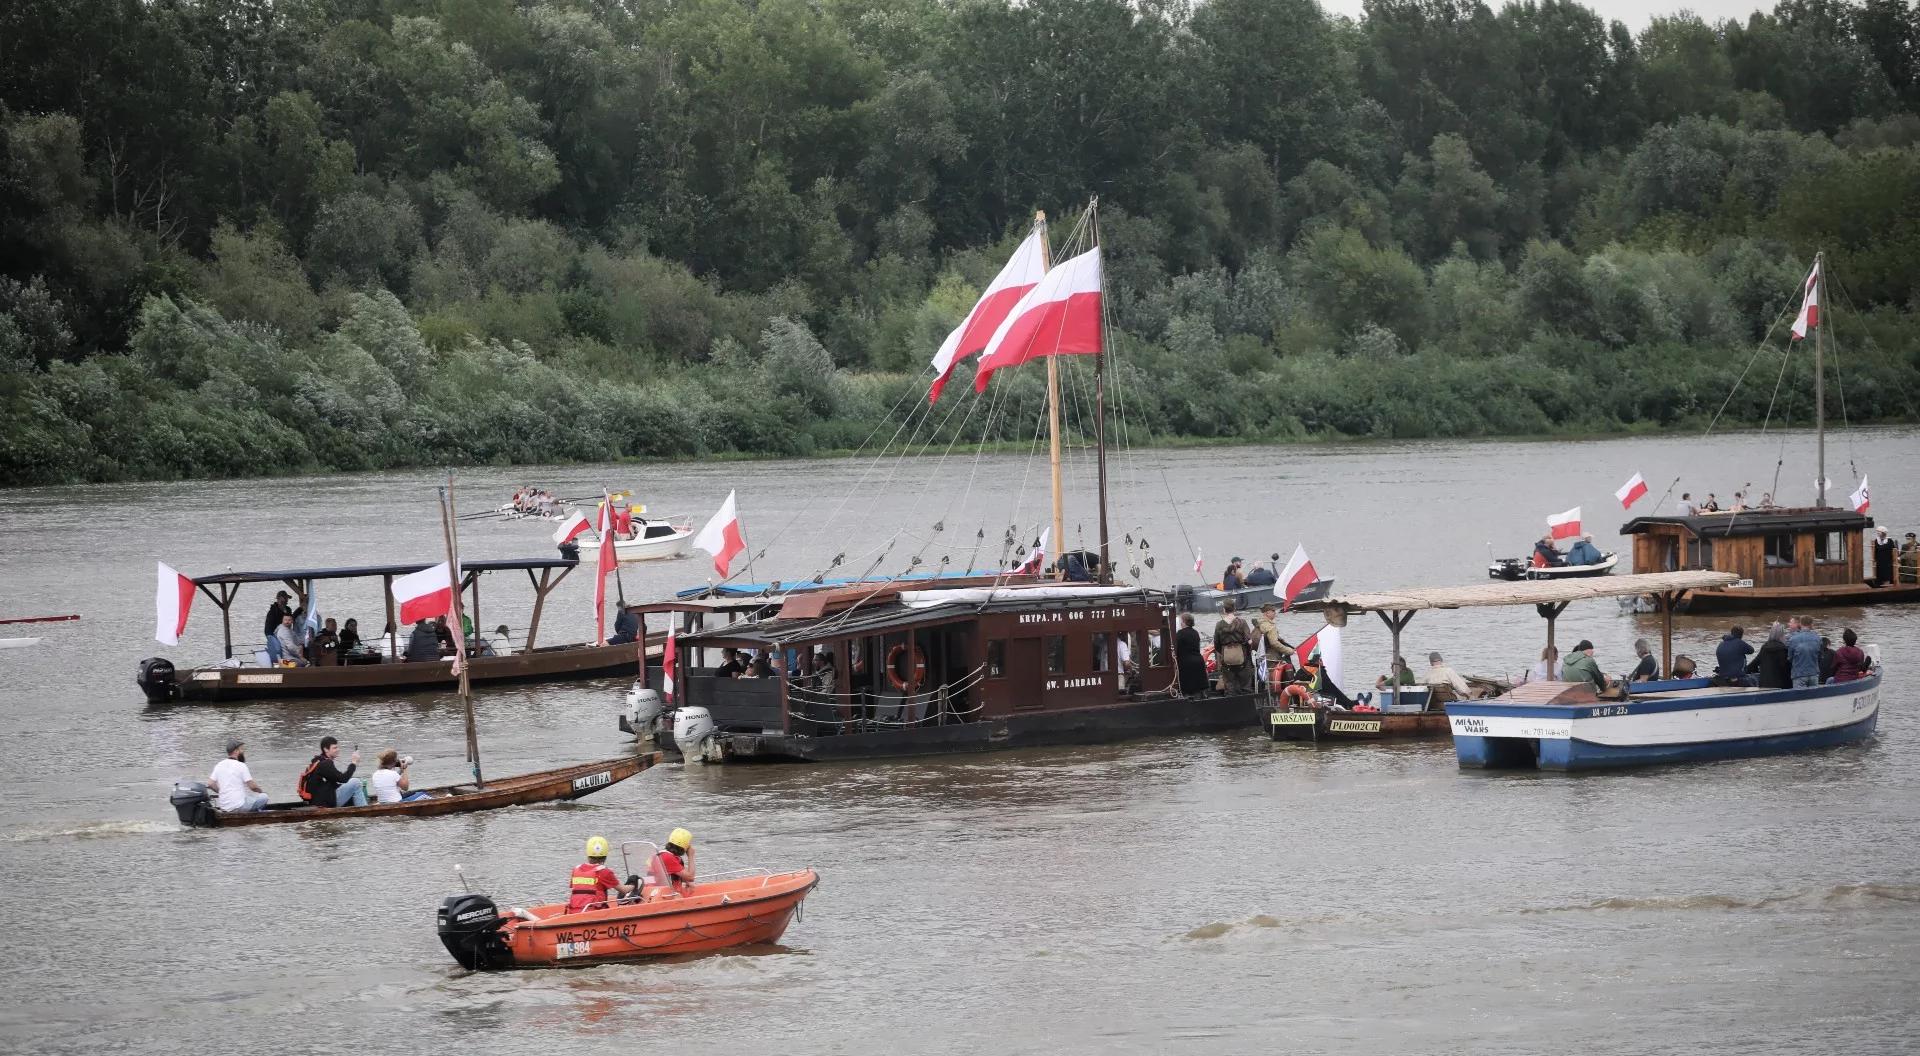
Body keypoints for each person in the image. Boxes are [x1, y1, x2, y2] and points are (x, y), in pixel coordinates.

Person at [569, 836, 639, 912]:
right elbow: (624, 890)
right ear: (605, 856)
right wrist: (633, 885)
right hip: (594, 912)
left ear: (588, 853)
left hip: (574, 911)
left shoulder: (576, 870)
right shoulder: (604, 871)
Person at [301, 736, 367, 808]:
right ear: (326, 749)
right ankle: (364, 810)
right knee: (356, 782)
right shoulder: (325, 764)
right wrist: (354, 763)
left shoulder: (319, 761)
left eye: (337, 747)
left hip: (318, 800)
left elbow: (338, 778)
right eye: (334, 748)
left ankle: (360, 807)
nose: (338, 750)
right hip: (324, 803)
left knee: (352, 782)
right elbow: (343, 779)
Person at [208, 739, 268, 813]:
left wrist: (221, 791)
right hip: (239, 807)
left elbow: (210, 783)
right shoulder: (241, 765)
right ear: (236, 751)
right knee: (264, 797)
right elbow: (253, 787)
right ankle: (255, 814)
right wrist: (261, 791)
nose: (243, 752)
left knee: (248, 797)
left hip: (224, 807)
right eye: (241, 749)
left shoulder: (219, 765)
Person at [1212, 600, 1254, 696]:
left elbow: (1216, 643)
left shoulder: (1219, 625)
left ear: (1224, 610)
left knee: (1230, 686)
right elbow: (1249, 641)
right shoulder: (1242, 623)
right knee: (1245, 685)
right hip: (1242, 657)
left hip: (1226, 659)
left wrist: (1224, 652)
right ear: (1234, 609)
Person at [647, 828, 697, 895]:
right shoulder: (668, 858)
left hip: (655, 890)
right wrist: (691, 856)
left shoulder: (664, 855)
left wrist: (687, 881)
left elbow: (686, 876)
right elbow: (691, 877)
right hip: (660, 893)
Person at [1748, 623, 1792, 689]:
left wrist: (1759, 672)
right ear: (1781, 636)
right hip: (1780, 686)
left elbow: (1752, 666)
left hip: (1764, 685)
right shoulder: (1783, 649)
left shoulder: (1764, 648)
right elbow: (1786, 669)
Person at [1175, 613, 1208, 696]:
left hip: (1186, 663)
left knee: (1188, 688)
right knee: (1198, 687)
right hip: (1198, 661)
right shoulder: (1195, 632)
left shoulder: (1180, 633)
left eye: (1181, 621)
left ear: (1184, 622)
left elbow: (1176, 648)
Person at [1786, 615, 1821, 688]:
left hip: (1799, 674)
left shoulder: (1793, 639)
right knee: (1814, 698)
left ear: (1800, 624)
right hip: (1813, 673)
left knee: (1799, 697)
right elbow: (1820, 655)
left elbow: (1790, 657)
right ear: (1811, 625)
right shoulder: (1817, 638)